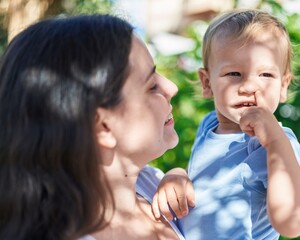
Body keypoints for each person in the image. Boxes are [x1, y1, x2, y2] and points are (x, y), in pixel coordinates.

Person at [0, 14, 193, 240]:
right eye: (151, 86)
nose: (171, 87)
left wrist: (180, 176)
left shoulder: (153, 186)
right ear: (102, 126)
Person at [153, 9, 300, 239]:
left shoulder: (273, 144)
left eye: (266, 75)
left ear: (283, 85)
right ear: (207, 82)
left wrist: (275, 141)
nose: (250, 86)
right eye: (235, 73)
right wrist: (177, 176)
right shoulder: (208, 126)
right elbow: (203, 184)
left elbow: (293, 223)